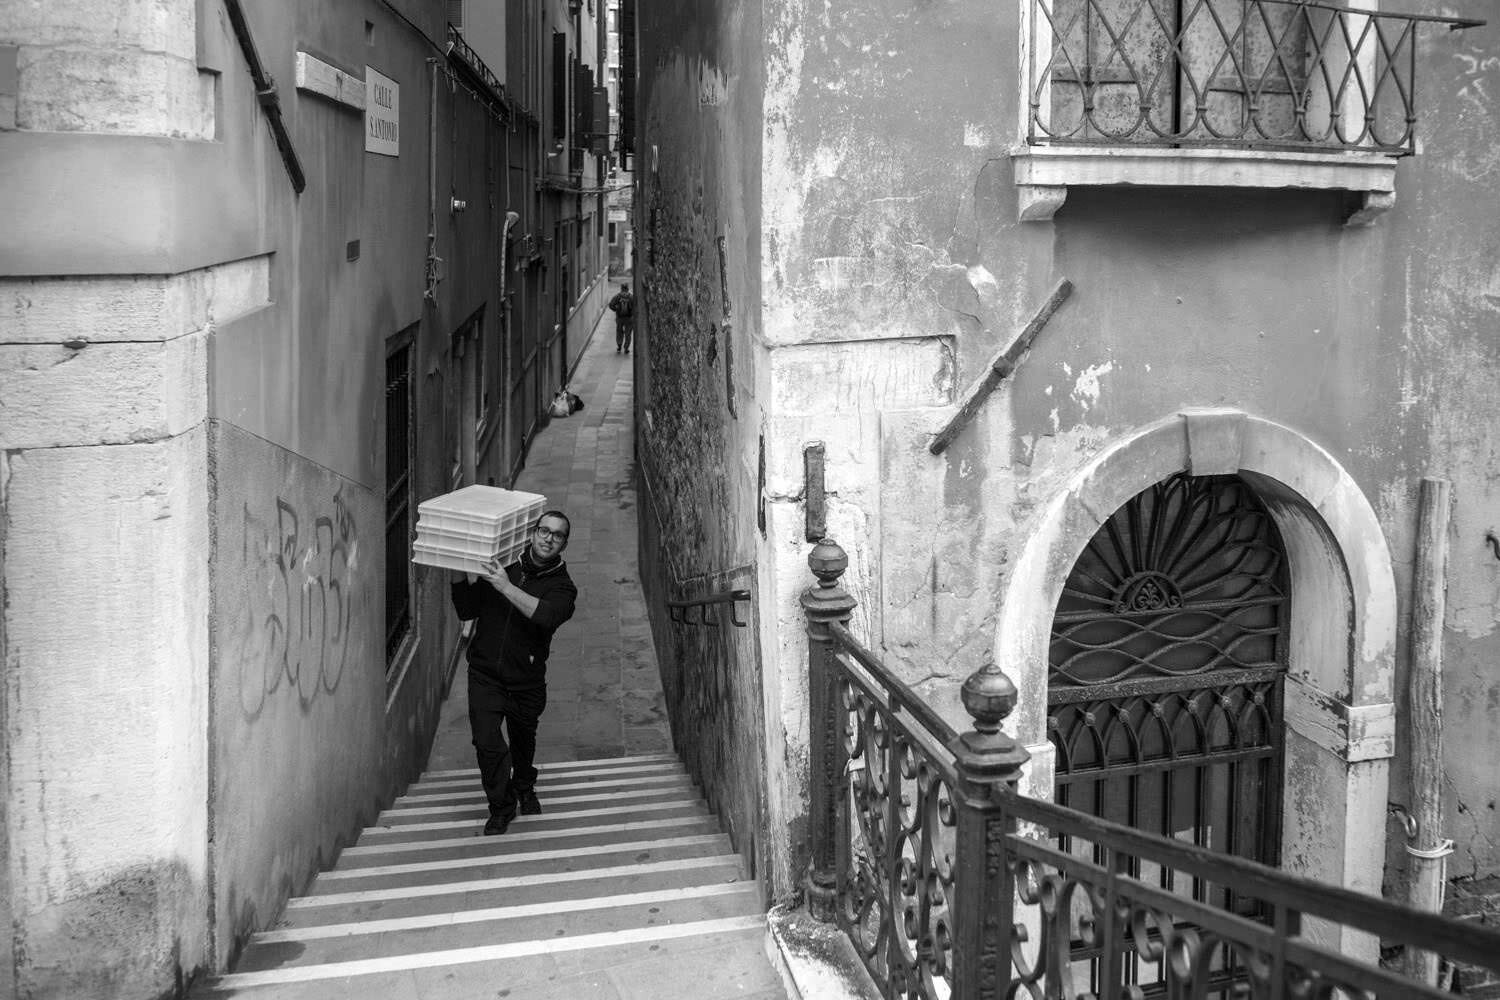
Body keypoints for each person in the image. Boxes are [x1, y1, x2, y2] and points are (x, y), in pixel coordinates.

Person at [451, 510, 578, 835]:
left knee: (523, 742)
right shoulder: (505, 566)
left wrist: (505, 587)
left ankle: (524, 785)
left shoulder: (563, 588)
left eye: (557, 535)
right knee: (487, 742)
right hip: (485, 674)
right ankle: (501, 806)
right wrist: (455, 569)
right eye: (544, 531)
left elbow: (545, 616)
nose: (548, 538)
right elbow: (468, 609)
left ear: (564, 543)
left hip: (526, 680)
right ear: (533, 533)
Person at [608, 282, 635, 354]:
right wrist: (633, 314)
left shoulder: (617, 296)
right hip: (629, 319)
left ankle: (619, 345)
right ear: (628, 288)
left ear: (621, 288)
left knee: (619, 332)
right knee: (628, 333)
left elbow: (610, 305)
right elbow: (636, 307)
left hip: (619, 318)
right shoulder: (631, 297)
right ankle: (626, 348)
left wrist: (616, 309)